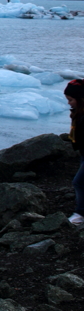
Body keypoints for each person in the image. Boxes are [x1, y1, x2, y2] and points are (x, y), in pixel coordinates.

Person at [67, 79, 84, 225]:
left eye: (71, 100)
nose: (68, 103)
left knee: (78, 182)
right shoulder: (78, 114)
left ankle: (80, 214)